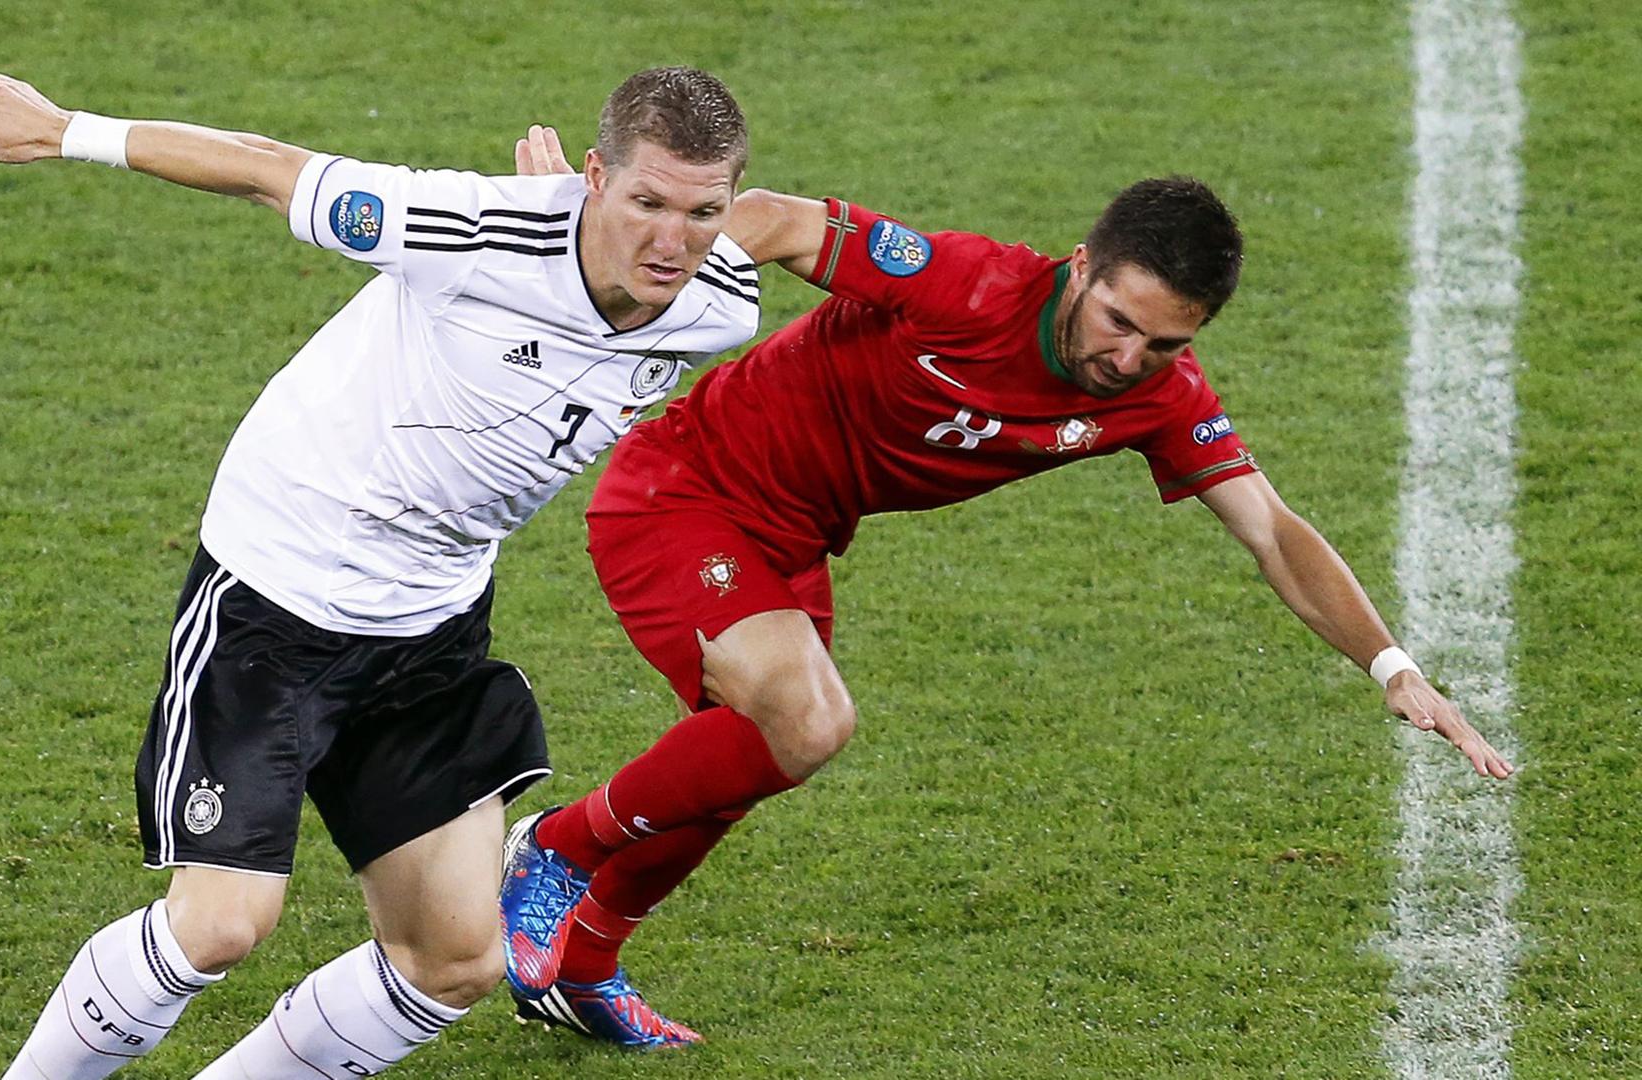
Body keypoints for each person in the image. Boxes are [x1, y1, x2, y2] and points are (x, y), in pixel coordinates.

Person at [497, 131, 1515, 1048]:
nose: (1127, 359)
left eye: (1163, 342)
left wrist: (1391, 664)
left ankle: (582, 967)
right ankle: (555, 846)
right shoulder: (969, 284)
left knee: (747, 757)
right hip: (687, 489)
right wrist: (609, 282)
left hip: (795, 537)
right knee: (802, 721)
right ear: (1082, 266)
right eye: (1118, 320)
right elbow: (775, 220)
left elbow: (1275, 532)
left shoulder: (1159, 395)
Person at [0, 67, 760, 1079]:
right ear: (595, 177)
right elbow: (272, 170)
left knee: (453, 958)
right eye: (647, 203)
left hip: (433, 630)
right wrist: (64, 132)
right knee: (221, 926)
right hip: (280, 597)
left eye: (701, 211)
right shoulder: (469, 229)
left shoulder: (719, 305)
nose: (673, 241)